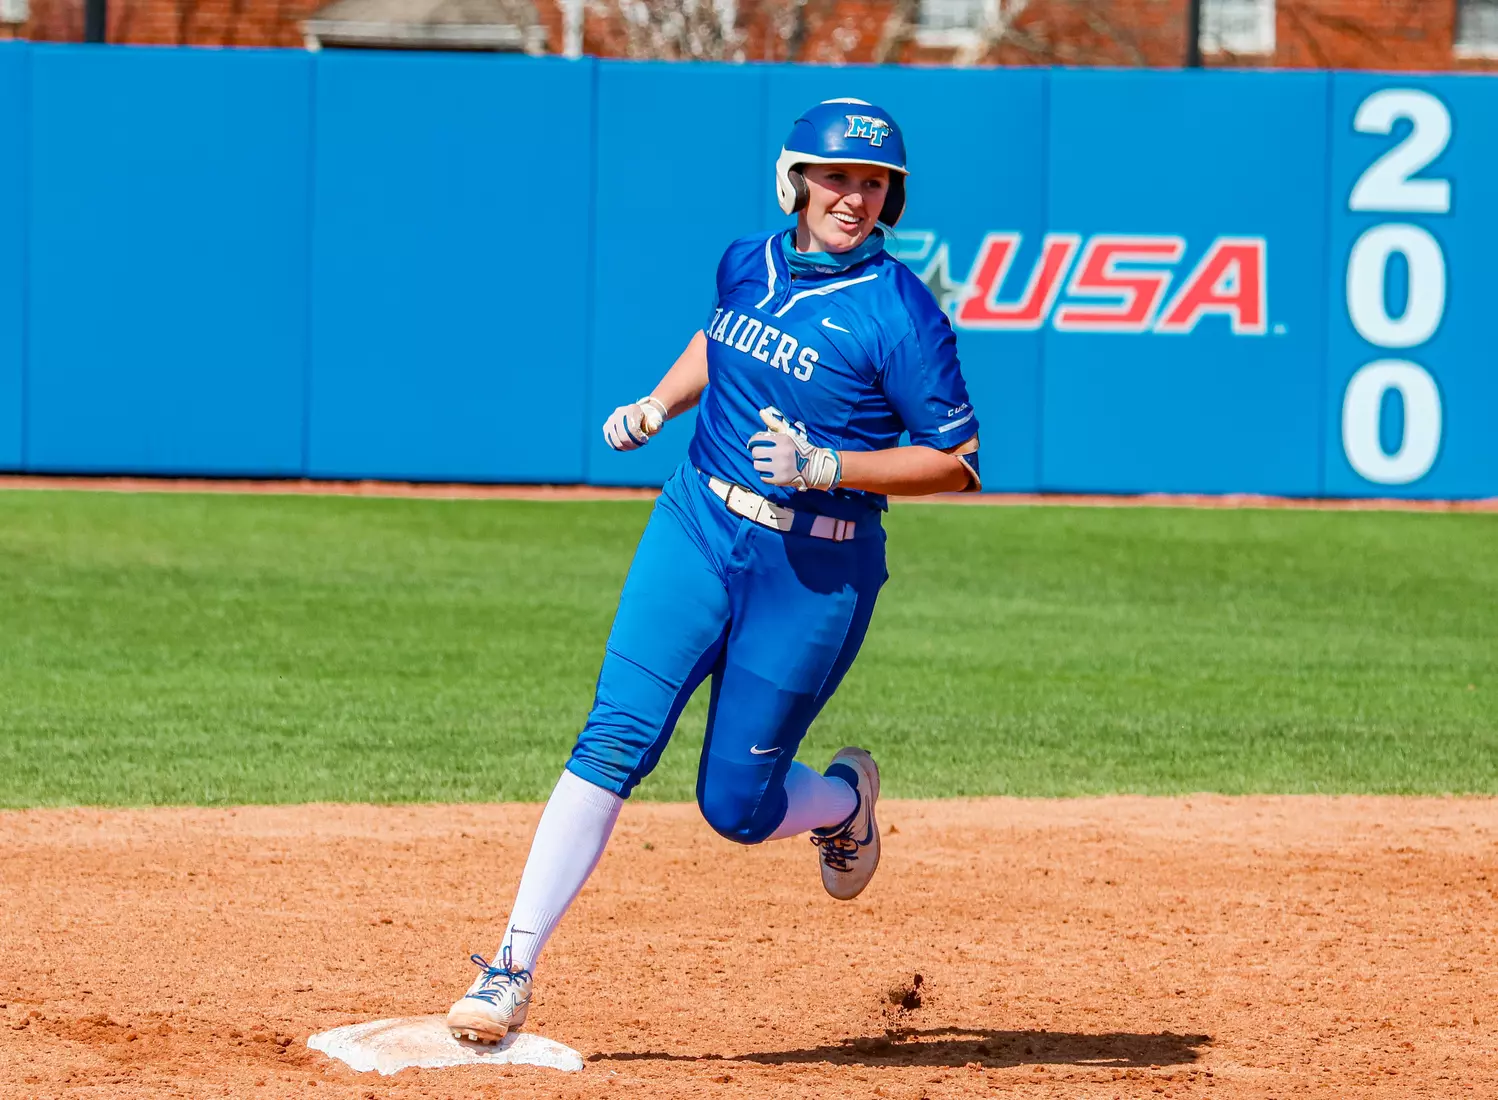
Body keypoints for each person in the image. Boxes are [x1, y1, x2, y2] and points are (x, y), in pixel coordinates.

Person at [446, 98, 982, 1044]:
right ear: (795, 181)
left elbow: (959, 461)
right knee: (613, 737)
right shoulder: (748, 259)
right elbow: (719, 338)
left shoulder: (902, 314)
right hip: (695, 527)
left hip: (815, 570)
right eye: (835, 178)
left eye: (872, 183)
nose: (853, 198)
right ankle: (510, 968)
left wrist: (831, 469)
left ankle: (846, 800)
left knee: (734, 809)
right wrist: (658, 404)